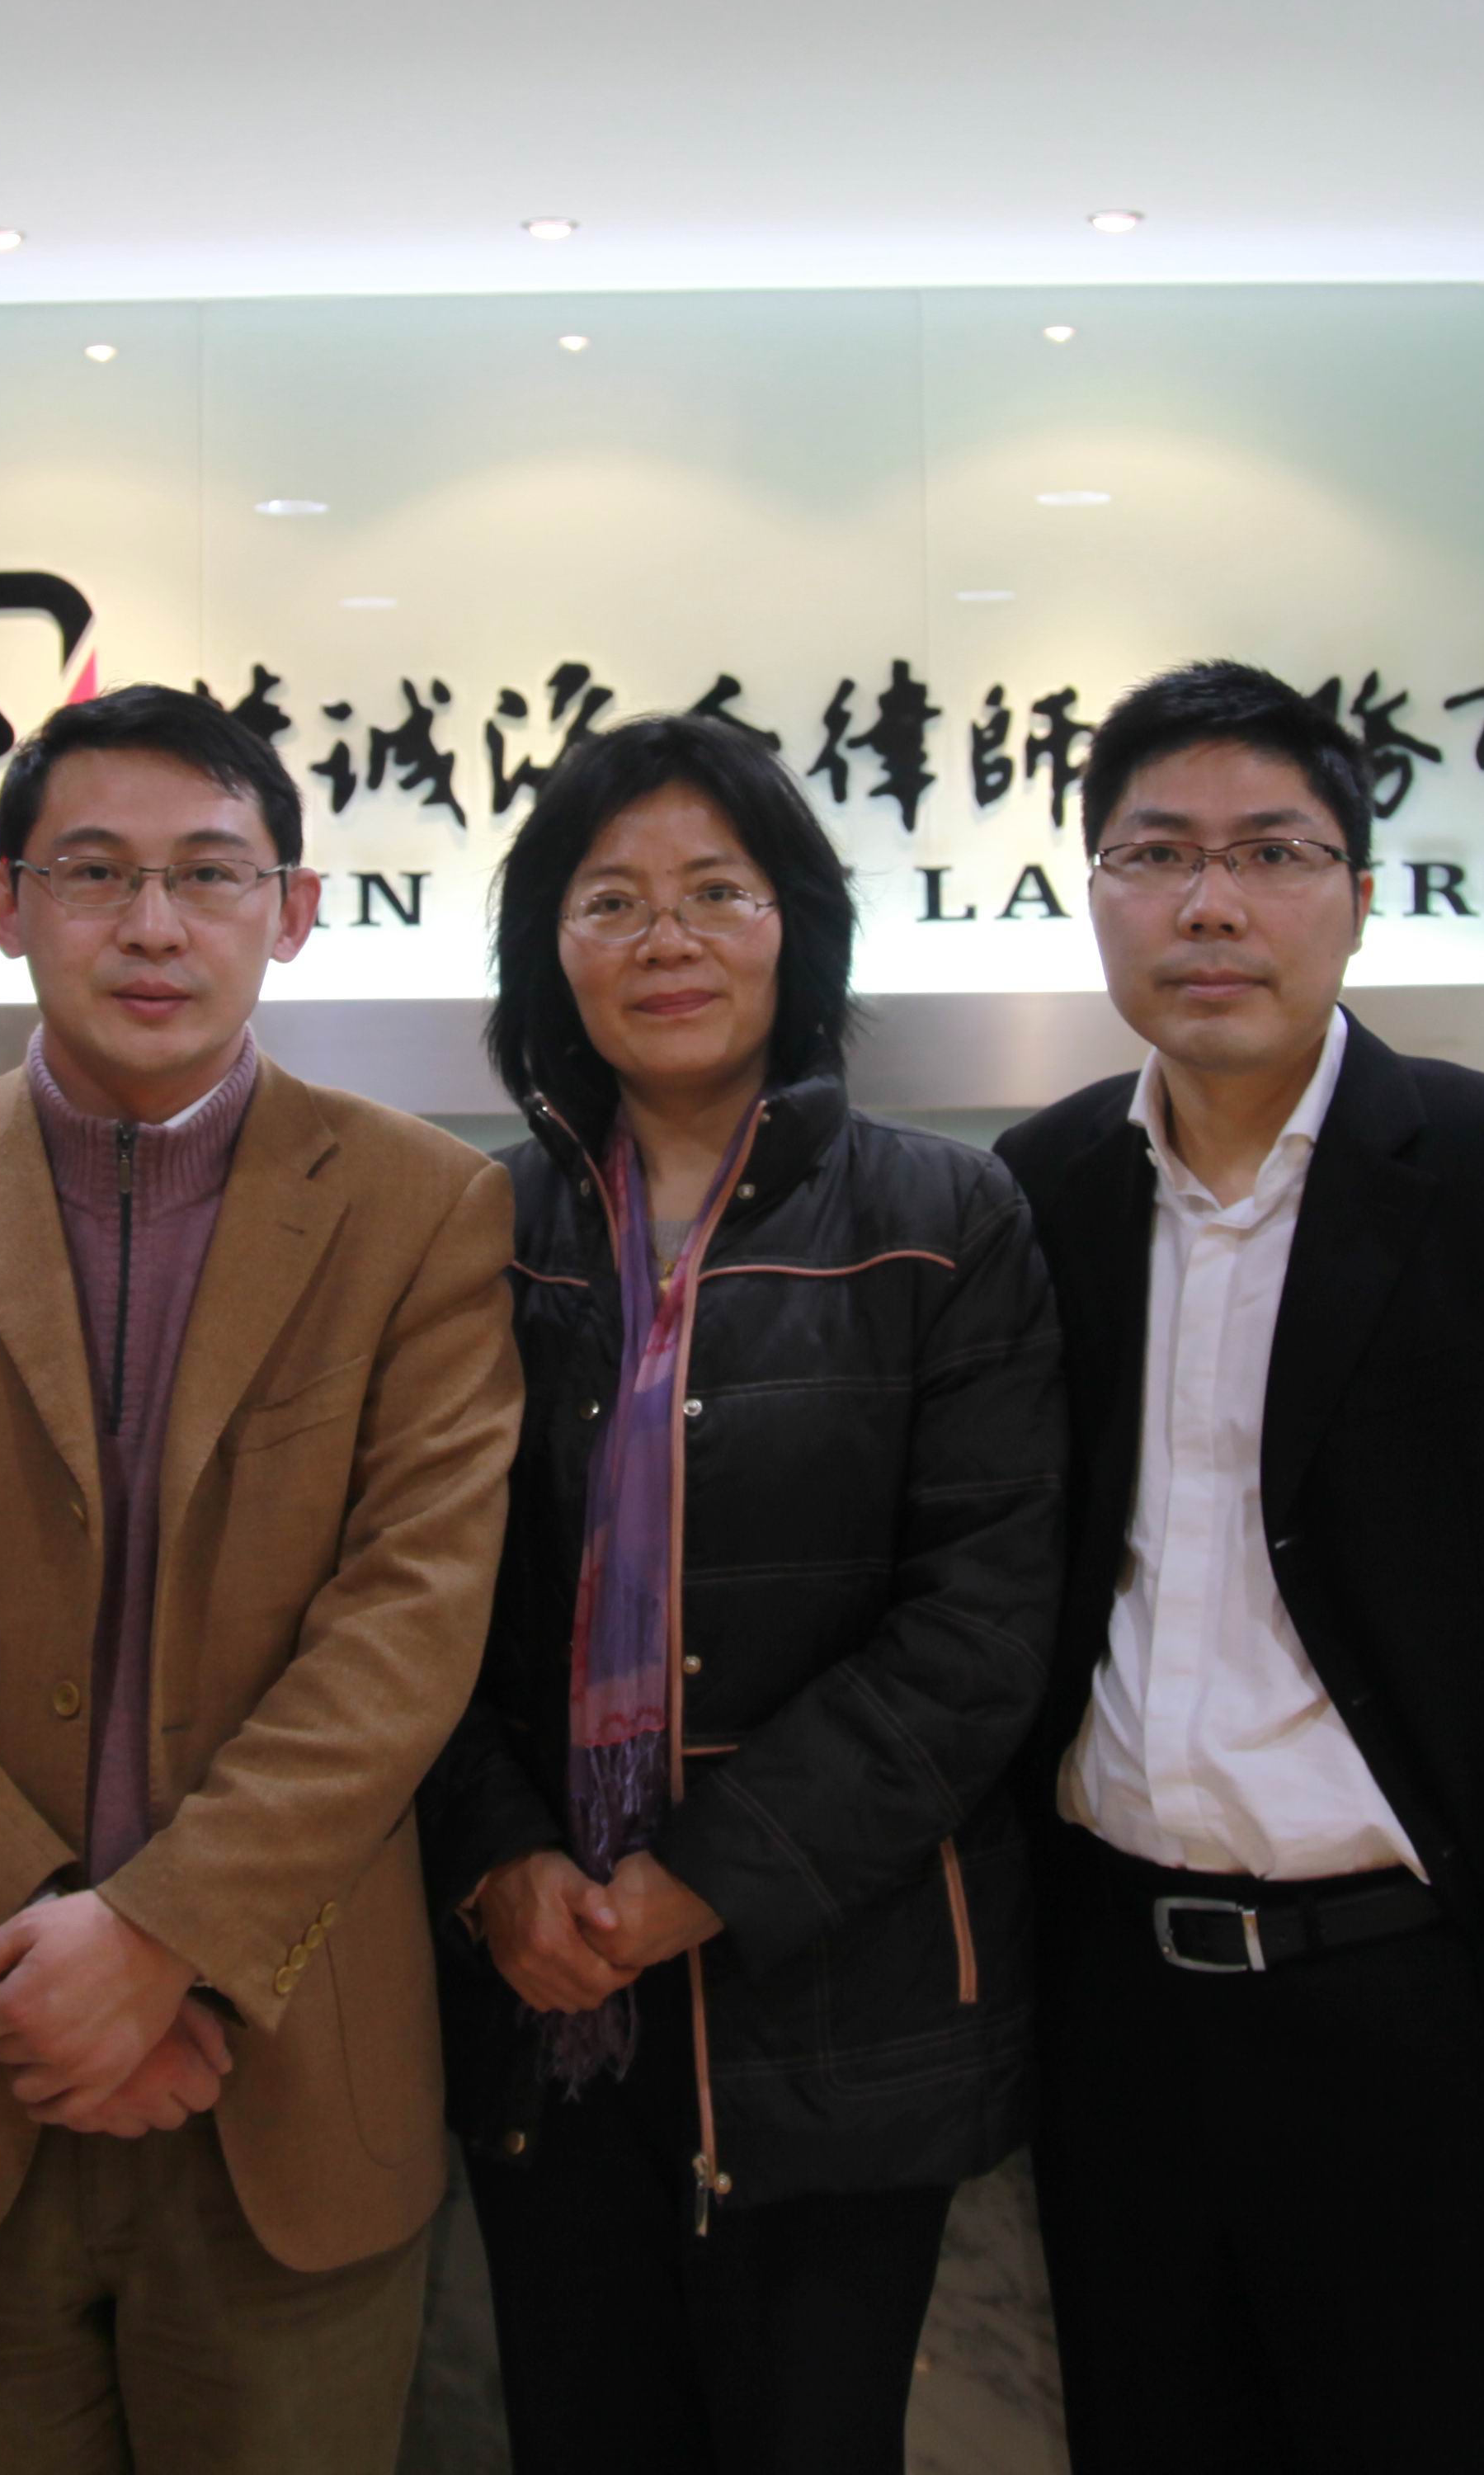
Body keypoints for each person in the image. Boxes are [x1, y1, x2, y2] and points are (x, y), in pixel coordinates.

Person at [0, 683, 525, 2475]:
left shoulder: (424, 1208)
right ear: (2, 903)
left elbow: (409, 1630)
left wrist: (161, 1945)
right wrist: (50, 1967)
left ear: (292, 911)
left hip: (289, 2079)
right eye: (93, 873)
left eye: (210, 874)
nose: (153, 926)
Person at [989, 660, 1484, 2475]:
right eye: (1157, 853)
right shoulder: (1041, 1190)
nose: (1212, 902)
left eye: (1271, 853)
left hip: (1419, 2013)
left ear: (1360, 896)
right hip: (1123, 2015)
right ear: (1096, 893)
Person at [418, 717, 1066, 2475]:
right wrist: (496, 1863)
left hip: (843, 2009)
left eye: (719, 891)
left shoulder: (949, 1218)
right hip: (542, 1995)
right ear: (549, 947)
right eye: (610, 900)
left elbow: (980, 1625)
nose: (669, 940)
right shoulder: (473, 1231)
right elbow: (405, 1611)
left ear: (799, 926)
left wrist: (702, 1880)